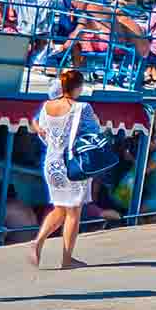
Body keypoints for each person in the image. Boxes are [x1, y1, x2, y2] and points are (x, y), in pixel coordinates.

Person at [30, 69, 99, 270]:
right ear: (78, 87)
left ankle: (37, 242)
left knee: (60, 208)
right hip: (73, 165)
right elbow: (94, 131)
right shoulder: (82, 108)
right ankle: (67, 259)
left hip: (52, 163)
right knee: (73, 212)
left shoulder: (47, 106)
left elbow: (43, 132)